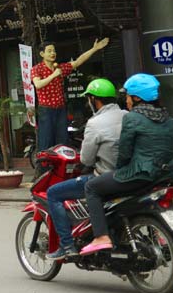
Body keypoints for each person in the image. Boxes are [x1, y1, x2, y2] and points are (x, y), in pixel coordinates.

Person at [80, 73, 173, 255]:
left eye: (127, 96)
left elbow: (124, 153)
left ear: (137, 97)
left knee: (92, 187)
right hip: (166, 174)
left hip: (139, 174)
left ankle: (101, 236)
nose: (125, 100)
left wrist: (118, 171)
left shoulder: (132, 118)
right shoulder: (166, 117)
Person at [44, 78, 125, 260]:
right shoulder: (128, 116)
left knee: (53, 193)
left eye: (89, 100)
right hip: (129, 175)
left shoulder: (95, 123)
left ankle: (66, 246)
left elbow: (86, 159)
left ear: (95, 100)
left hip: (105, 177)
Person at [31, 38, 109, 152]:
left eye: (54, 51)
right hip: (46, 111)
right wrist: (53, 75)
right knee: (46, 142)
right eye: (49, 51)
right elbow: (38, 84)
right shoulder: (37, 69)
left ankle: (62, 167)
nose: (53, 53)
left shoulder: (60, 68)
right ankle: (45, 168)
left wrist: (94, 49)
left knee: (62, 141)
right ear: (42, 54)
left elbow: (77, 62)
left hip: (61, 109)